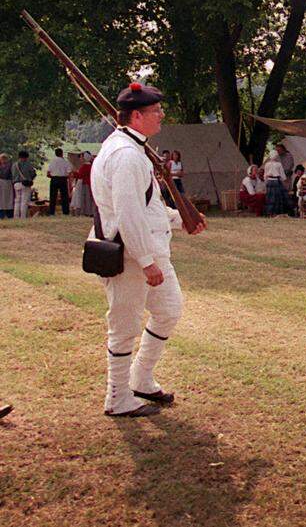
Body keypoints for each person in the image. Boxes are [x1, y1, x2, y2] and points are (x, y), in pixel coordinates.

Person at [90, 81, 206, 417]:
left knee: (169, 309)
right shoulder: (126, 156)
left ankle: (141, 378)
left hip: (146, 250)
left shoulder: (132, 149)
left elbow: (148, 207)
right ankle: (117, 398)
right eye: (156, 111)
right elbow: (128, 215)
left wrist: (178, 219)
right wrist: (146, 261)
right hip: (130, 255)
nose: (161, 115)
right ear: (137, 116)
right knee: (124, 326)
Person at [47, 148, 73, 215]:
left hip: (54, 179)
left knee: (53, 196)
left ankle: (51, 212)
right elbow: (69, 172)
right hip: (63, 179)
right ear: (62, 153)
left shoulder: (52, 162)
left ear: (55, 153)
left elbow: (48, 173)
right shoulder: (66, 162)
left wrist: (53, 176)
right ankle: (65, 212)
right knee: (64, 196)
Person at [262, 149, 287, 216]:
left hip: (269, 181)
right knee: (276, 197)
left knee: (270, 197)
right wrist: (284, 181)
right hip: (276, 181)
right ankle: (275, 212)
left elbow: (265, 175)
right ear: (276, 156)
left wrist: (265, 182)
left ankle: (270, 212)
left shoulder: (267, 164)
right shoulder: (278, 164)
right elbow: (282, 175)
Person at [70, 152, 95, 217]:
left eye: (81, 157)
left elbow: (80, 175)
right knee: (88, 198)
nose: (80, 158)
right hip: (87, 183)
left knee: (85, 198)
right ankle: (88, 211)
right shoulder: (89, 166)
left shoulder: (85, 166)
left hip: (85, 183)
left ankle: (86, 211)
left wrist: (74, 173)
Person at [12, 151, 36, 219]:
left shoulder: (14, 165)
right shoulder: (28, 165)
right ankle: (23, 216)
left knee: (17, 201)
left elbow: (12, 174)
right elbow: (32, 174)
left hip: (16, 184)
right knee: (24, 201)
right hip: (25, 184)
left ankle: (16, 216)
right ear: (26, 157)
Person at [0, 153, 14, 219]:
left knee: (4, 200)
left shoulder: (9, 165)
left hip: (6, 183)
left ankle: (3, 215)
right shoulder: (10, 165)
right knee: (7, 200)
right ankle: (8, 215)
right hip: (7, 183)